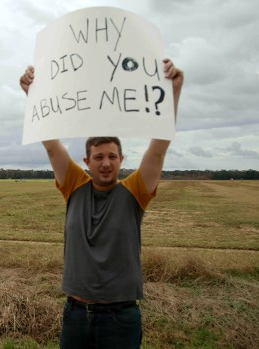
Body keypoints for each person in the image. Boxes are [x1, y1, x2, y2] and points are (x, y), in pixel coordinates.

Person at [19, 59, 183, 348]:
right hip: (75, 314)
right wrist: (33, 95)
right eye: (98, 157)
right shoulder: (73, 185)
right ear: (87, 162)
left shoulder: (136, 191)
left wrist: (173, 93)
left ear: (121, 159)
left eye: (112, 156)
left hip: (120, 317)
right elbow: (50, 144)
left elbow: (158, 150)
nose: (106, 163)